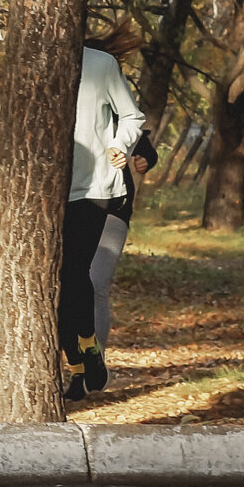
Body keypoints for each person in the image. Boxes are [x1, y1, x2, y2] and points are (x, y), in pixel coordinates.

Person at [61, 46, 145, 402]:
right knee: (63, 282)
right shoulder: (33, 55)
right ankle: (79, 363)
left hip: (94, 187)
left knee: (78, 272)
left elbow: (134, 117)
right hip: (48, 189)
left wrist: (119, 146)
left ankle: (87, 347)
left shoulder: (100, 63)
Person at [90, 129, 157, 350]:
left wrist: (145, 159)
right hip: (67, 209)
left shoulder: (115, 110)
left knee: (95, 283)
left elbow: (144, 146)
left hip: (113, 209)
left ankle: (93, 367)